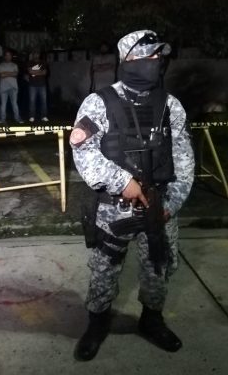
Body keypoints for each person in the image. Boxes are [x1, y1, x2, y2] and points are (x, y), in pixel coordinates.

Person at [69, 30, 195, 361]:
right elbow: (83, 152)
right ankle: (97, 323)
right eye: (149, 57)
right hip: (113, 209)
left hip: (159, 205)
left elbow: (184, 161)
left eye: (159, 57)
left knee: (158, 268)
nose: (156, 63)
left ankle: (151, 321)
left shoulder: (170, 106)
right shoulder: (99, 102)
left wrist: (171, 204)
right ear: (128, 61)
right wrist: (122, 181)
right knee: (104, 269)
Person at [0, 49, 23, 124]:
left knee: (14, 104)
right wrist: (11, 73)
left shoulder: (15, 65)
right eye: (7, 55)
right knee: (3, 104)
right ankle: (2, 119)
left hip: (13, 87)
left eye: (9, 55)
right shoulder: (1, 65)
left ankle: (17, 118)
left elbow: (15, 74)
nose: (8, 57)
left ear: (11, 56)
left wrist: (5, 73)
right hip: (3, 88)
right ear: (5, 56)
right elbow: (1, 75)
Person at [26, 51, 49, 123]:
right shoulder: (30, 62)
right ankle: (32, 116)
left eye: (37, 53)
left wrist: (34, 72)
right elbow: (30, 72)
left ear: (39, 54)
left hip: (42, 85)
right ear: (33, 55)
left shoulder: (43, 62)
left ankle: (44, 116)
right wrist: (40, 72)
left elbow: (44, 72)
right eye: (35, 53)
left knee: (44, 101)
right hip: (32, 85)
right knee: (32, 101)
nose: (36, 55)